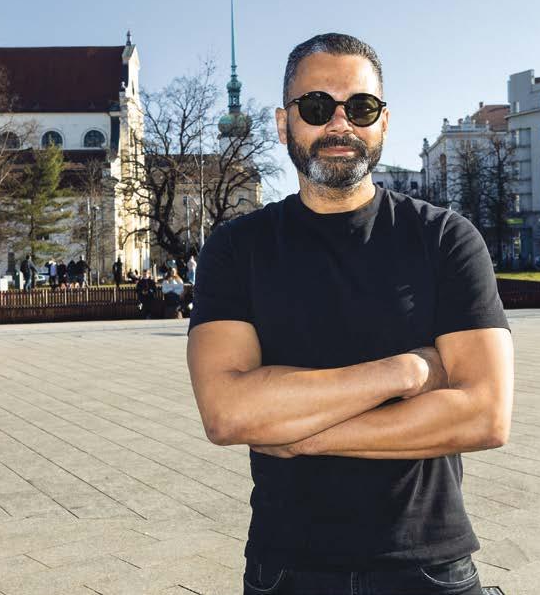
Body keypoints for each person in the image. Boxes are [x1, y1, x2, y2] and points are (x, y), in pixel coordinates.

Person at [187, 33, 514, 594]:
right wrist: (407, 372)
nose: (340, 124)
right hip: (287, 569)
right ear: (283, 123)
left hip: (429, 565)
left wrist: (301, 432)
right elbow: (226, 412)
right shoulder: (237, 248)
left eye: (360, 107)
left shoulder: (445, 239)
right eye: (316, 106)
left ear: (383, 122)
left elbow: (484, 416)